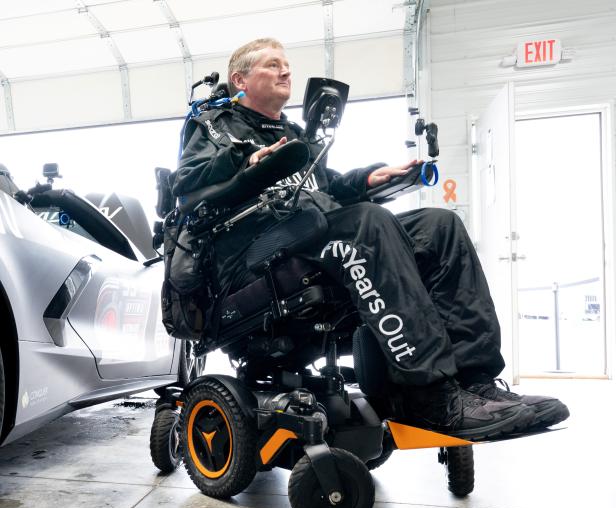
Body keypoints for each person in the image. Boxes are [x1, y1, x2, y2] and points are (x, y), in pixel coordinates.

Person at [171, 38, 569, 441]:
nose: (286, 71)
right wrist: (242, 163)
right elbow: (184, 186)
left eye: (287, 64)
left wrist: (368, 178)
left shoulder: (293, 133)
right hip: (258, 251)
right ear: (240, 79)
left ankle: (474, 381)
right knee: (369, 225)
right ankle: (429, 394)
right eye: (273, 65)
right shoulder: (214, 126)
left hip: (312, 230)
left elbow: (326, 188)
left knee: (440, 227)